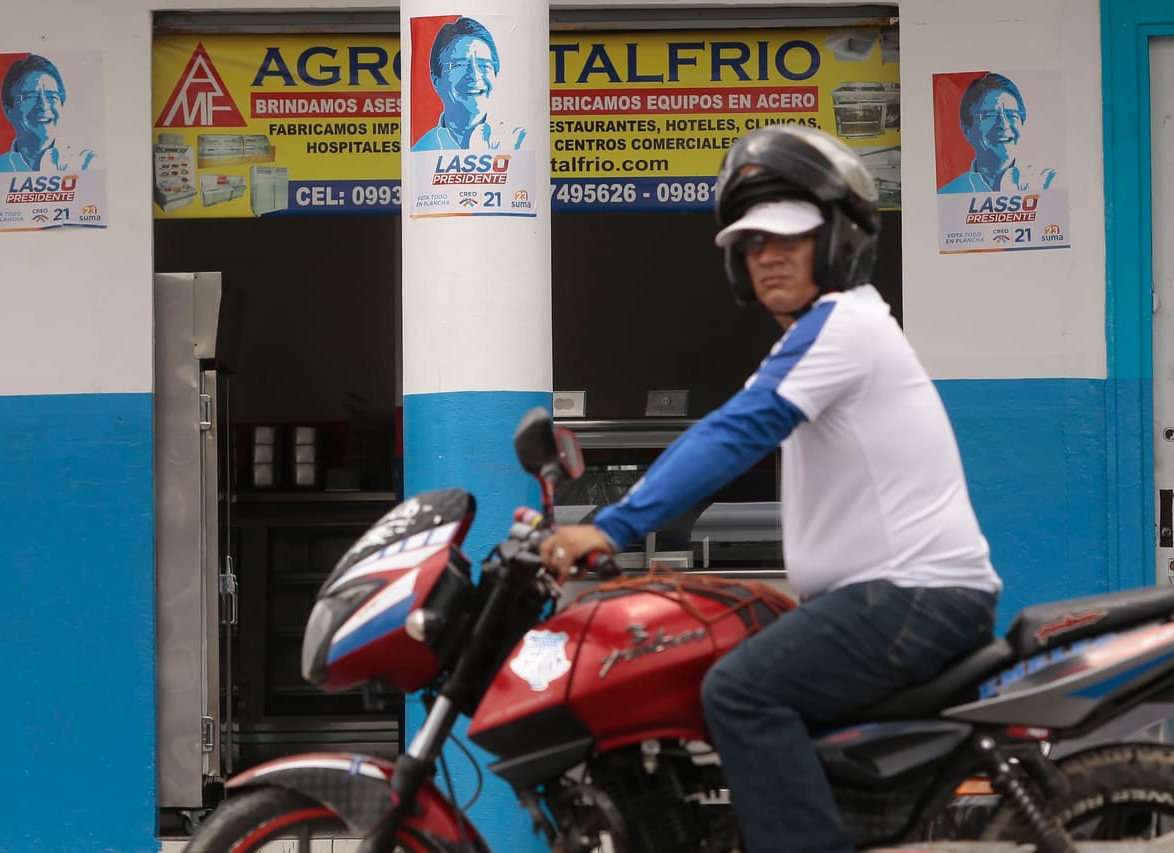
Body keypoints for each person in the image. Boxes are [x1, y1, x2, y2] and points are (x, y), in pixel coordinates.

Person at [540, 125, 1002, 852]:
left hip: (912, 597)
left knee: (740, 690)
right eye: (753, 243)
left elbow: (734, 433)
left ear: (838, 240)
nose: (769, 255)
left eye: (790, 237)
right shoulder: (822, 335)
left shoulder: (842, 326)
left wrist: (614, 526)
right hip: (894, 598)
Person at [411, 16, 526, 152]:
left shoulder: (519, 141)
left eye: (484, 65)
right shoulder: (422, 150)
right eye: (460, 65)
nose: (475, 76)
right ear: (436, 79)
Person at [938, 72, 1055, 194]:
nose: (1004, 125)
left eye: (1012, 115)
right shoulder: (948, 195)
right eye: (990, 116)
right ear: (967, 129)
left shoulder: (1049, 184)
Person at [0, 54, 96, 173]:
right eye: (30, 97)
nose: (44, 106)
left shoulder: (87, 165)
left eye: (52, 96)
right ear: (8, 109)